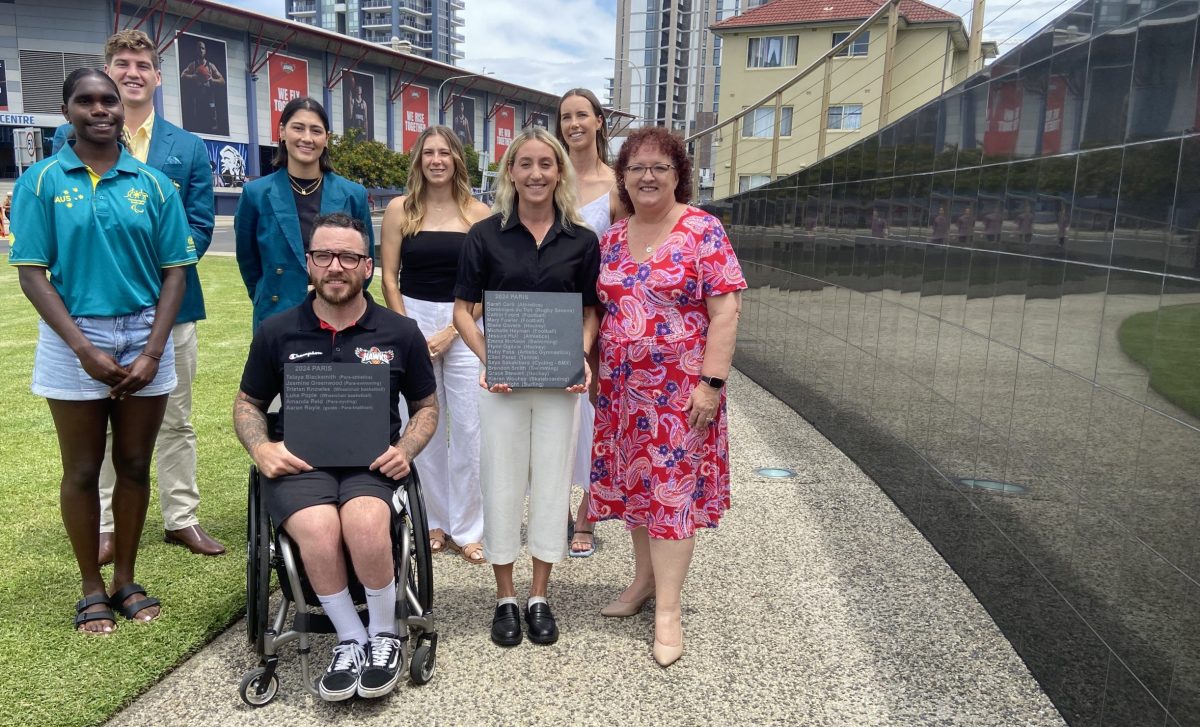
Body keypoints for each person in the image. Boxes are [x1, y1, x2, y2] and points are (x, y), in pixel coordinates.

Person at [10, 69, 197, 634]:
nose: (99, 109)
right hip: (74, 337)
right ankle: (92, 586)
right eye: (85, 100)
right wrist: (83, 349)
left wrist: (151, 351)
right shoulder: (41, 181)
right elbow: (32, 273)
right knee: (83, 468)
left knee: (136, 462)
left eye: (108, 100)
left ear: (122, 108)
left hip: (145, 334)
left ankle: (126, 580)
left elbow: (175, 272)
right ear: (66, 110)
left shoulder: (154, 185)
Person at [233, 213, 438, 701]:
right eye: (324, 256)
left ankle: (385, 635)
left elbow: (426, 408)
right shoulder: (278, 331)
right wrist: (261, 448)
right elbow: (247, 404)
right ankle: (351, 637)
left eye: (348, 256)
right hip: (302, 464)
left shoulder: (400, 331)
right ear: (309, 264)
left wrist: (406, 448)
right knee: (320, 530)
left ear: (367, 266)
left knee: (366, 524)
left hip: (371, 463)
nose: (336, 266)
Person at [51, 28, 221, 563]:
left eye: (142, 65)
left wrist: (147, 269)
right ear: (107, 70)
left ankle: (181, 517)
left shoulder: (188, 148)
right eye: (122, 63)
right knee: (99, 420)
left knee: (175, 418)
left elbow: (198, 226)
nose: (132, 73)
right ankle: (103, 524)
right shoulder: (66, 140)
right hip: (94, 311)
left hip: (171, 308)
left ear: (156, 76)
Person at [588, 126, 745, 667]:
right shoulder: (611, 237)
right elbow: (599, 312)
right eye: (637, 168)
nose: (648, 177)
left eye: (660, 167)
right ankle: (641, 584)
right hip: (623, 394)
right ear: (623, 179)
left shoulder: (704, 231)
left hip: (682, 395)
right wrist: (591, 371)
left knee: (672, 498)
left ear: (678, 175)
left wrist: (711, 384)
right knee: (639, 491)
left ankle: (669, 610)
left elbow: (726, 312)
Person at [453, 127, 600, 647]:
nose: (536, 173)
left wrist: (580, 355)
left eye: (546, 163)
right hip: (504, 383)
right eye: (525, 163)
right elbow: (463, 313)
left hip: (560, 385)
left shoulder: (582, 240)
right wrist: (490, 358)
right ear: (510, 171)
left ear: (559, 171)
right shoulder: (485, 235)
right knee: (501, 481)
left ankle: (540, 595)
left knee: (553, 484)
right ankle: (505, 598)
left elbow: (589, 311)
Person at [380, 125, 491, 564]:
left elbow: (487, 286)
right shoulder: (398, 210)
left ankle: (470, 527)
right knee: (421, 426)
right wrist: (407, 330)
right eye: (429, 153)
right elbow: (388, 277)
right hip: (411, 318)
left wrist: (451, 331)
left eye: (446, 153)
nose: (437, 160)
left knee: (468, 428)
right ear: (419, 160)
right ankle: (433, 522)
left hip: (464, 320)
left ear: (458, 160)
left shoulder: (478, 214)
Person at [555, 88, 626, 558]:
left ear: (600, 121)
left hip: (597, 312)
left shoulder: (616, 186)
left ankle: (586, 514)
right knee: (552, 413)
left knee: (595, 415)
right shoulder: (548, 174)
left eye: (583, 115)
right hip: (548, 312)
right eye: (566, 117)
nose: (574, 123)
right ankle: (553, 507)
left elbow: (623, 251)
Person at [235, 97, 375, 330]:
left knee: (335, 368)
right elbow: (249, 263)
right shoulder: (255, 193)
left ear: (327, 139)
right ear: (282, 132)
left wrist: (336, 293)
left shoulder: (353, 194)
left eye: (316, 131)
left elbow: (364, 263)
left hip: (338, 312)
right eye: (298, 128)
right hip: (277, 312)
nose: (307, 138)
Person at [180, 39, 226, 134]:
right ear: (196, 50)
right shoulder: (193, 65)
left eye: (203, 48)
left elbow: (222, 81)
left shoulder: (211, 66)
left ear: (205, 51)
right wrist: (193, 76)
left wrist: (212, 80)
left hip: (209, 95)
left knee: (212, 121)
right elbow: (183, 75)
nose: (201, 50)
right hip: (198, 95)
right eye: (199, 48)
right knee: (199, 120)